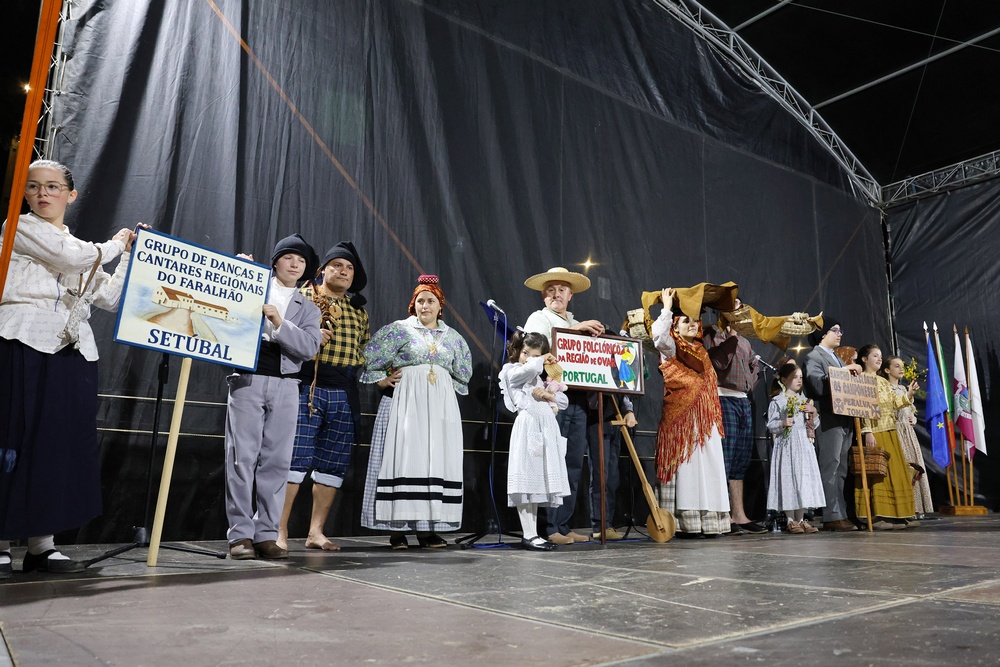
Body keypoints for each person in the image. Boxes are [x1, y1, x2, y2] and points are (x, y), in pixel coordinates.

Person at [0, 159, 137, 576]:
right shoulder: (18, 228)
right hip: (22, 340)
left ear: (70, 194)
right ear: (25, 194)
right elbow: (72, 258)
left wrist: (130, 256)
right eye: (35, 187)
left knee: (55, 445)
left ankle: (42, 544)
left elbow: (111, 298)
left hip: (70, 352)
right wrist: (115, 244)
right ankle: (1, 541)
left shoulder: (81, 250)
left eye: (53, 187)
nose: (44, 194)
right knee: (11, 438)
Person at [224, 235, 322, 560]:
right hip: (248, 378)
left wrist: (280, 324)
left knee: (277, 461)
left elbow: (309, 347)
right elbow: (225, 308)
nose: (295, 264)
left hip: (287, 385)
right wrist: (240, 271)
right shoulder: (253, 284)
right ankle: (240, 536)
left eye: (301, 261)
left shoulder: (307, 307)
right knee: (242, 458)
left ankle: (266, 533)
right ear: (276, 261)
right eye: (289, 257)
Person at [359, 275, 472, 548]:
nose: (425, 306)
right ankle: (397, 530)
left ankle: (427, 530)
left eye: (430, 301)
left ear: (439, 306)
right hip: (405, 404)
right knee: (404, 458)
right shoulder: (399, 330)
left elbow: (463, 373)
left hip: (438, 408)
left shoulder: (453, 337)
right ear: (413, 304)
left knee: (434, 460)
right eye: (420, 301)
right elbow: (369, 358)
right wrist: (382, 379)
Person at [278, 242, 369, 552]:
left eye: (349, 268)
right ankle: (278, 531)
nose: (343, 271)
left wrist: (383, 377)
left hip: (343, 392)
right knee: (294, 458)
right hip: (306, 385)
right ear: (322, 270)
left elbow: (364, 353)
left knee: (333, 463)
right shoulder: (301, 298)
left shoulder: (359, 312)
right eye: (337, 265)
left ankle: (316, 532)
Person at [522, 267, 605, 545]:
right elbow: (538, 351)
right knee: (551, 460)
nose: (556, 294)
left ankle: (564, 523)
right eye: (551, 289)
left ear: (570, 295)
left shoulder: (578, 321)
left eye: (562, 289)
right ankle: (548, 527)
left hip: (577, 396)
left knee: (572, 463)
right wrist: (575, 330)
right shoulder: (539, 318)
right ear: (544, 295)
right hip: (549, 397)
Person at [651, 288, 730, 537]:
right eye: (686, 321)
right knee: (688, 466)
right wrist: (666, 307)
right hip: (682, 419)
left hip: (705, 420)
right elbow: (658, 337)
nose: (693, 325)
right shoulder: (671, 348)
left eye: (695, 320)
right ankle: (685, 521)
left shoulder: (701, 351)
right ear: (675, 326)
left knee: (709, 465)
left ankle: (709, 522)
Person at [498, 331, 570, 551]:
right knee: (526, 482)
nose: (527, 358)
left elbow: (564, 401)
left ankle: (534, 533)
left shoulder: (539, 377)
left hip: (545, 430)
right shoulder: (512, 370)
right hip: (529, 428)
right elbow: (527, 369)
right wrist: (541, 358)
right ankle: (528, 534)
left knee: (537, 484)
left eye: (534, 354)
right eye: (525, 352)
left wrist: (548, 396)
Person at [703, 302, 765, 534]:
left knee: (741, 459)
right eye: (734, 308)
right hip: (722, 396)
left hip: (742, 400)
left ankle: (739, 514)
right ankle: (723, 515)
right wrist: (730, 338)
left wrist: (751, 376)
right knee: (725, 457)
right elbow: (716, 363)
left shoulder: (745, 341)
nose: (738, 312)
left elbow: (753, 365)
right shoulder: (711, 334)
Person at [803, 319, 863, 531]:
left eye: (840, 330)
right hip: (827, 415)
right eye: (834, 330)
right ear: (822, 334)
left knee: (841, 467)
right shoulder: (813, 356)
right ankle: (831, 514)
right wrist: (846, 372)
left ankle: (841, 512)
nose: (839, 334)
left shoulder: (836, 358)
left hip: (843, 415)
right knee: (830, 464)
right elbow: (817, 384)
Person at [855, 345, 917, 529]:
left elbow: (895, 403)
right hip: (876, 431)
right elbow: (862, 407)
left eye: (880, 356)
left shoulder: (882, 381)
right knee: (879, 473)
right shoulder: (861, 380)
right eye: (875, 355)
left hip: (890, 429)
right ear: (865, 359)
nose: (879, 359)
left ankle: (897, 514)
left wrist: (909, 394)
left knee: (895, 473)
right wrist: (868, 431)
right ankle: (878, 515)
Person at [766, 363, 825, 534]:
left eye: (800, 377)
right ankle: (790, 519)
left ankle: (801, 518)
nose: (799, 380)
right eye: (794, 377)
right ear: (784, 380)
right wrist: (783, 423)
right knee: (789, 478)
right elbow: (771, 425)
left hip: (803, 445)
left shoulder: (804, 401)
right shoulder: (778, 401)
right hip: (787, 445)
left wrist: (814, 412)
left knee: (803, 479)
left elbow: (814, 425)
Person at [881, 355, 932, 517]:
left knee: (915, 468)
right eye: (896, 366)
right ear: (887, 370)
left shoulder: (903, 389)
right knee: (903, 468)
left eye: (901, 366)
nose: (901, 369)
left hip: (908, 433)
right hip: (896, 432)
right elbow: (890, 409)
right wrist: (909, 395)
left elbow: (910, 410)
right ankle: (906, 507)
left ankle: (918, 507)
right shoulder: (885, 388)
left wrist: (913, 419)